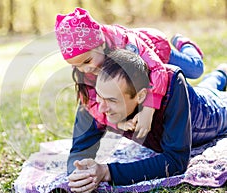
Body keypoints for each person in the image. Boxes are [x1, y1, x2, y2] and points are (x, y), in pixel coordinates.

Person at [67, 49, 227, 193]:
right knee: (208, 86)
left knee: (218, 99)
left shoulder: (173, 86)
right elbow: (80, 150)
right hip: (192, 98)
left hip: (206, 115)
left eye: (111, 100)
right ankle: (220, 73)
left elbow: (175, 160)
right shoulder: (98, 96)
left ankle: (219, 73)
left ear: (141, 96)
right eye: (99, 96)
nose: (101, 107)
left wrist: (107, 172)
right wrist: (80, 174)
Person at [55, 7, 204, 142]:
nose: (84, 69)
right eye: (76, 65)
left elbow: (158, 70)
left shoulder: (128, 45)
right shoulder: (87, 67)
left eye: (87, 61)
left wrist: (148, 110)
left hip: (157, 51)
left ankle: (185, 44)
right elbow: (92, 103)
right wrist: (118, 123)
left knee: (196, 69)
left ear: (100, 44)